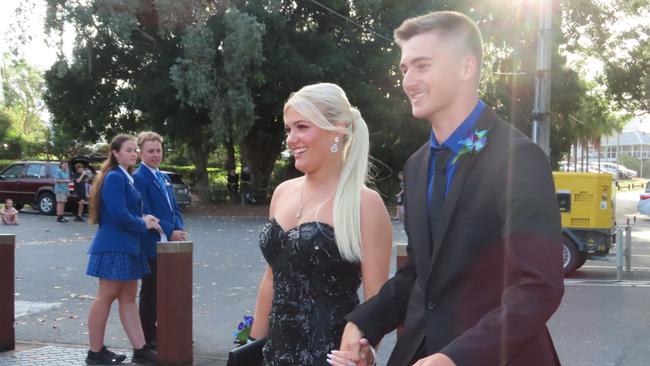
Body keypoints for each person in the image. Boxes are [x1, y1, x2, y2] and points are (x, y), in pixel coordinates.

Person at [333, 11, 564, 366]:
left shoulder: (519, 159)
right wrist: (362, 322)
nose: (409, 81)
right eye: (405, 69)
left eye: (422, 66)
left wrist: (456, 357)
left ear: (466, 68)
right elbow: (421, 272)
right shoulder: (416, 165)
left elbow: (537, 288)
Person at [248, 83, 393, 365]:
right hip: (274, 355)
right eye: (289, 129)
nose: (291, 139)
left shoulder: (365, 204)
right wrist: (251, 347)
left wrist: (367, 353)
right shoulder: (282, 192)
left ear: (336, 130)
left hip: (330, 357)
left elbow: (377, 298)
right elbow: (271, 279)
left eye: (301, 127)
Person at [85, 134, 160, 365]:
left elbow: (124, 211)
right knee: (105, 297)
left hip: (128, 246)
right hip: (114, 247)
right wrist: (142, 223)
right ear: (116, 153)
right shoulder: (115, 177)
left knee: (128, 298)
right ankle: (95, 352)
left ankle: (141, 349)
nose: (133, 153)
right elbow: (117, 214)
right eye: (128, 150)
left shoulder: (124, 176)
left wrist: (142, 217)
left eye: (135, 150)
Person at [133, 131, 186, 349]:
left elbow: (175, 208)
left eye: (158, 151)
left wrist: (179, 229)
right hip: (151, 243)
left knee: (169, 288)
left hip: (171, 242)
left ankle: (167, 329)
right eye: (151, 151)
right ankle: (148, 336)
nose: (155, 155)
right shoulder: (139, 177)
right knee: (151, 290)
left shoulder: (163, 177)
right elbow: (145, 211)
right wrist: (169, 230)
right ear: (141, 153)